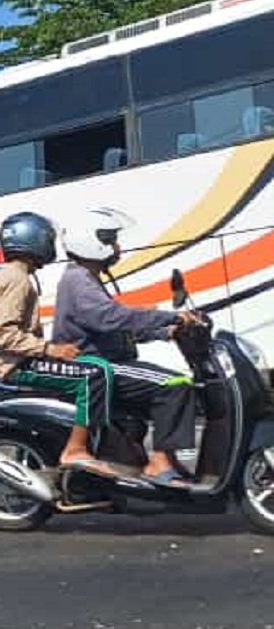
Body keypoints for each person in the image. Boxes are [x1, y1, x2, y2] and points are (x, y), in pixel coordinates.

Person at [53, 208, 200, 487]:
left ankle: (162, 459)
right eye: (110, 239)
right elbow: (109, 318)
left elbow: (113, 327)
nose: (117, 246)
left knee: (170, 384)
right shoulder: (78, 279)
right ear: (91, 241)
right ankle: (159, 463)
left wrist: (163, 332)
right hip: (97, 364)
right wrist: (169, 317)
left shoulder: (86, 277)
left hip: (109, 361)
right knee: (175, 384)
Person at [0, 212, 113, 472]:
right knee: (96, 373)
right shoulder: (17, 279)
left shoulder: (14, 275)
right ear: (34, 240)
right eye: (47, 239)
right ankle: (77, 449)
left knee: (92, 365)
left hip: (21, 361)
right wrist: (50, 349)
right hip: (19, 366)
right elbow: (4, 334)